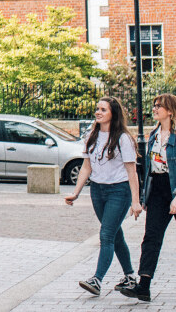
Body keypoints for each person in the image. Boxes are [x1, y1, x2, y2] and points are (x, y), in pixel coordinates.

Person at [121, 93, 176, 302]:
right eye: (154, 105)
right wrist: (143, 198)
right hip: (158, 188)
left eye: (159, 106)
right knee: (151, 238)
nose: (155, 109)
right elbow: (150, 169)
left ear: (170, 110)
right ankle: (144, 285)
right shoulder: (154, 135)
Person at [64, 97, 143, 296]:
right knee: (115, 234)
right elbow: (86, 167)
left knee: (106, 234)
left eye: (103, 109)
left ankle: (97, 280)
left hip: (119, 191)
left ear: (113, 113)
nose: (98, 112)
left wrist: (135, 201)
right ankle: (130, 277)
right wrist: (76, 192)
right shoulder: (92, 135)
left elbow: (131, 172)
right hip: (97, 191)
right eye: (97, 109)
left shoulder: (123, 138)